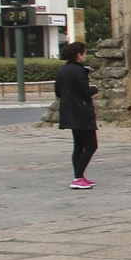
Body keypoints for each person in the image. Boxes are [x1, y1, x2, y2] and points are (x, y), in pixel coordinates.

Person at [54, 41, 98, 189]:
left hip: (69, 111)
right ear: (79, 55)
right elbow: (85, 91)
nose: (85, 56)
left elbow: (58, 92)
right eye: (84, 53)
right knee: (91, 146)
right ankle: (78, 177)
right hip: (82, 111)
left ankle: (78, 176)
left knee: (78, 145)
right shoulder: (79, 71)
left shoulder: (62, 70)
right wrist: (94, 88)